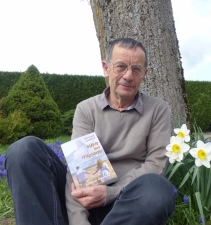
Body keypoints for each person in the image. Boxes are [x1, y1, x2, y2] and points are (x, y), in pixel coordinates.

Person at [4, 37, 175, 225]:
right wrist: (79, 222)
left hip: (126, 206)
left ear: (145, 73)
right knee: (23, 150)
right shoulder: (87, 110)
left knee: (158, 190)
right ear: (106, 68)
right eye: (120, 66)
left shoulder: (158, 109)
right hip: (86, 199)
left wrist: (111, 192)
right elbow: (79, 175)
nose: (128, 75)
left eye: (136, 69)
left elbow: (156, 165)